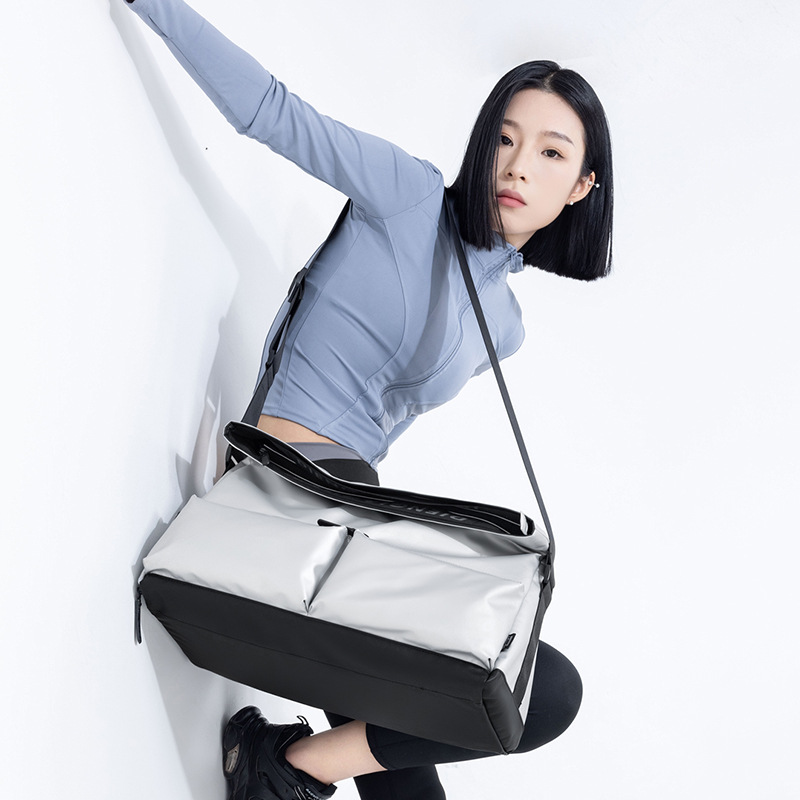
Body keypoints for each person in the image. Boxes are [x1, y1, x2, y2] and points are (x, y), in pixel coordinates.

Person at [123, 1, 614, 798]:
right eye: (505, 138)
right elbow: (270, 110)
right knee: (532, 688)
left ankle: (284, 770)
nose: (519, 166)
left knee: (501, 708)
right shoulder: (409, 195)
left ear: (583, 185)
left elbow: (384, 421)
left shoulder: (506, 326)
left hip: (356, 520)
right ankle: (286, 765)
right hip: (286, 486)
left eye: (552, 152)